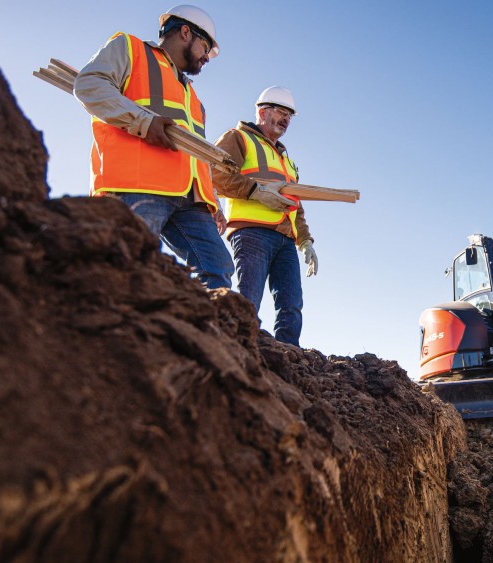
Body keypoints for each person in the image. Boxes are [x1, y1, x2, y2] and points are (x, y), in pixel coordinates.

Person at [73, 5, 233, 289]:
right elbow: (89, 85)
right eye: (205, 46)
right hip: (138, 185)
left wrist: (213, 202)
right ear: (185, 32)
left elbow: (198, 155)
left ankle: (199, 333)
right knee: (126, 263)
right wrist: (143, 121)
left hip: (189, 199)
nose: (207, 57)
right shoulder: (131, 49)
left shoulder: (193, 97)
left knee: (218, 269)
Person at [211, 86, 318, 346]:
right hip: (252, 233)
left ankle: (289, 362)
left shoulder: (287, 161)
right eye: (281, 112)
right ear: (262, 112)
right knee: (248, 300)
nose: (286, 119)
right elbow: (214, 174)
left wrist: (305, 241)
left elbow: (296, 204)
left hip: (284, 239)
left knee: (291, 306)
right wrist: (255, 192)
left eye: (290, 115)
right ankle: (238, 350)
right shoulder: (238, 138)